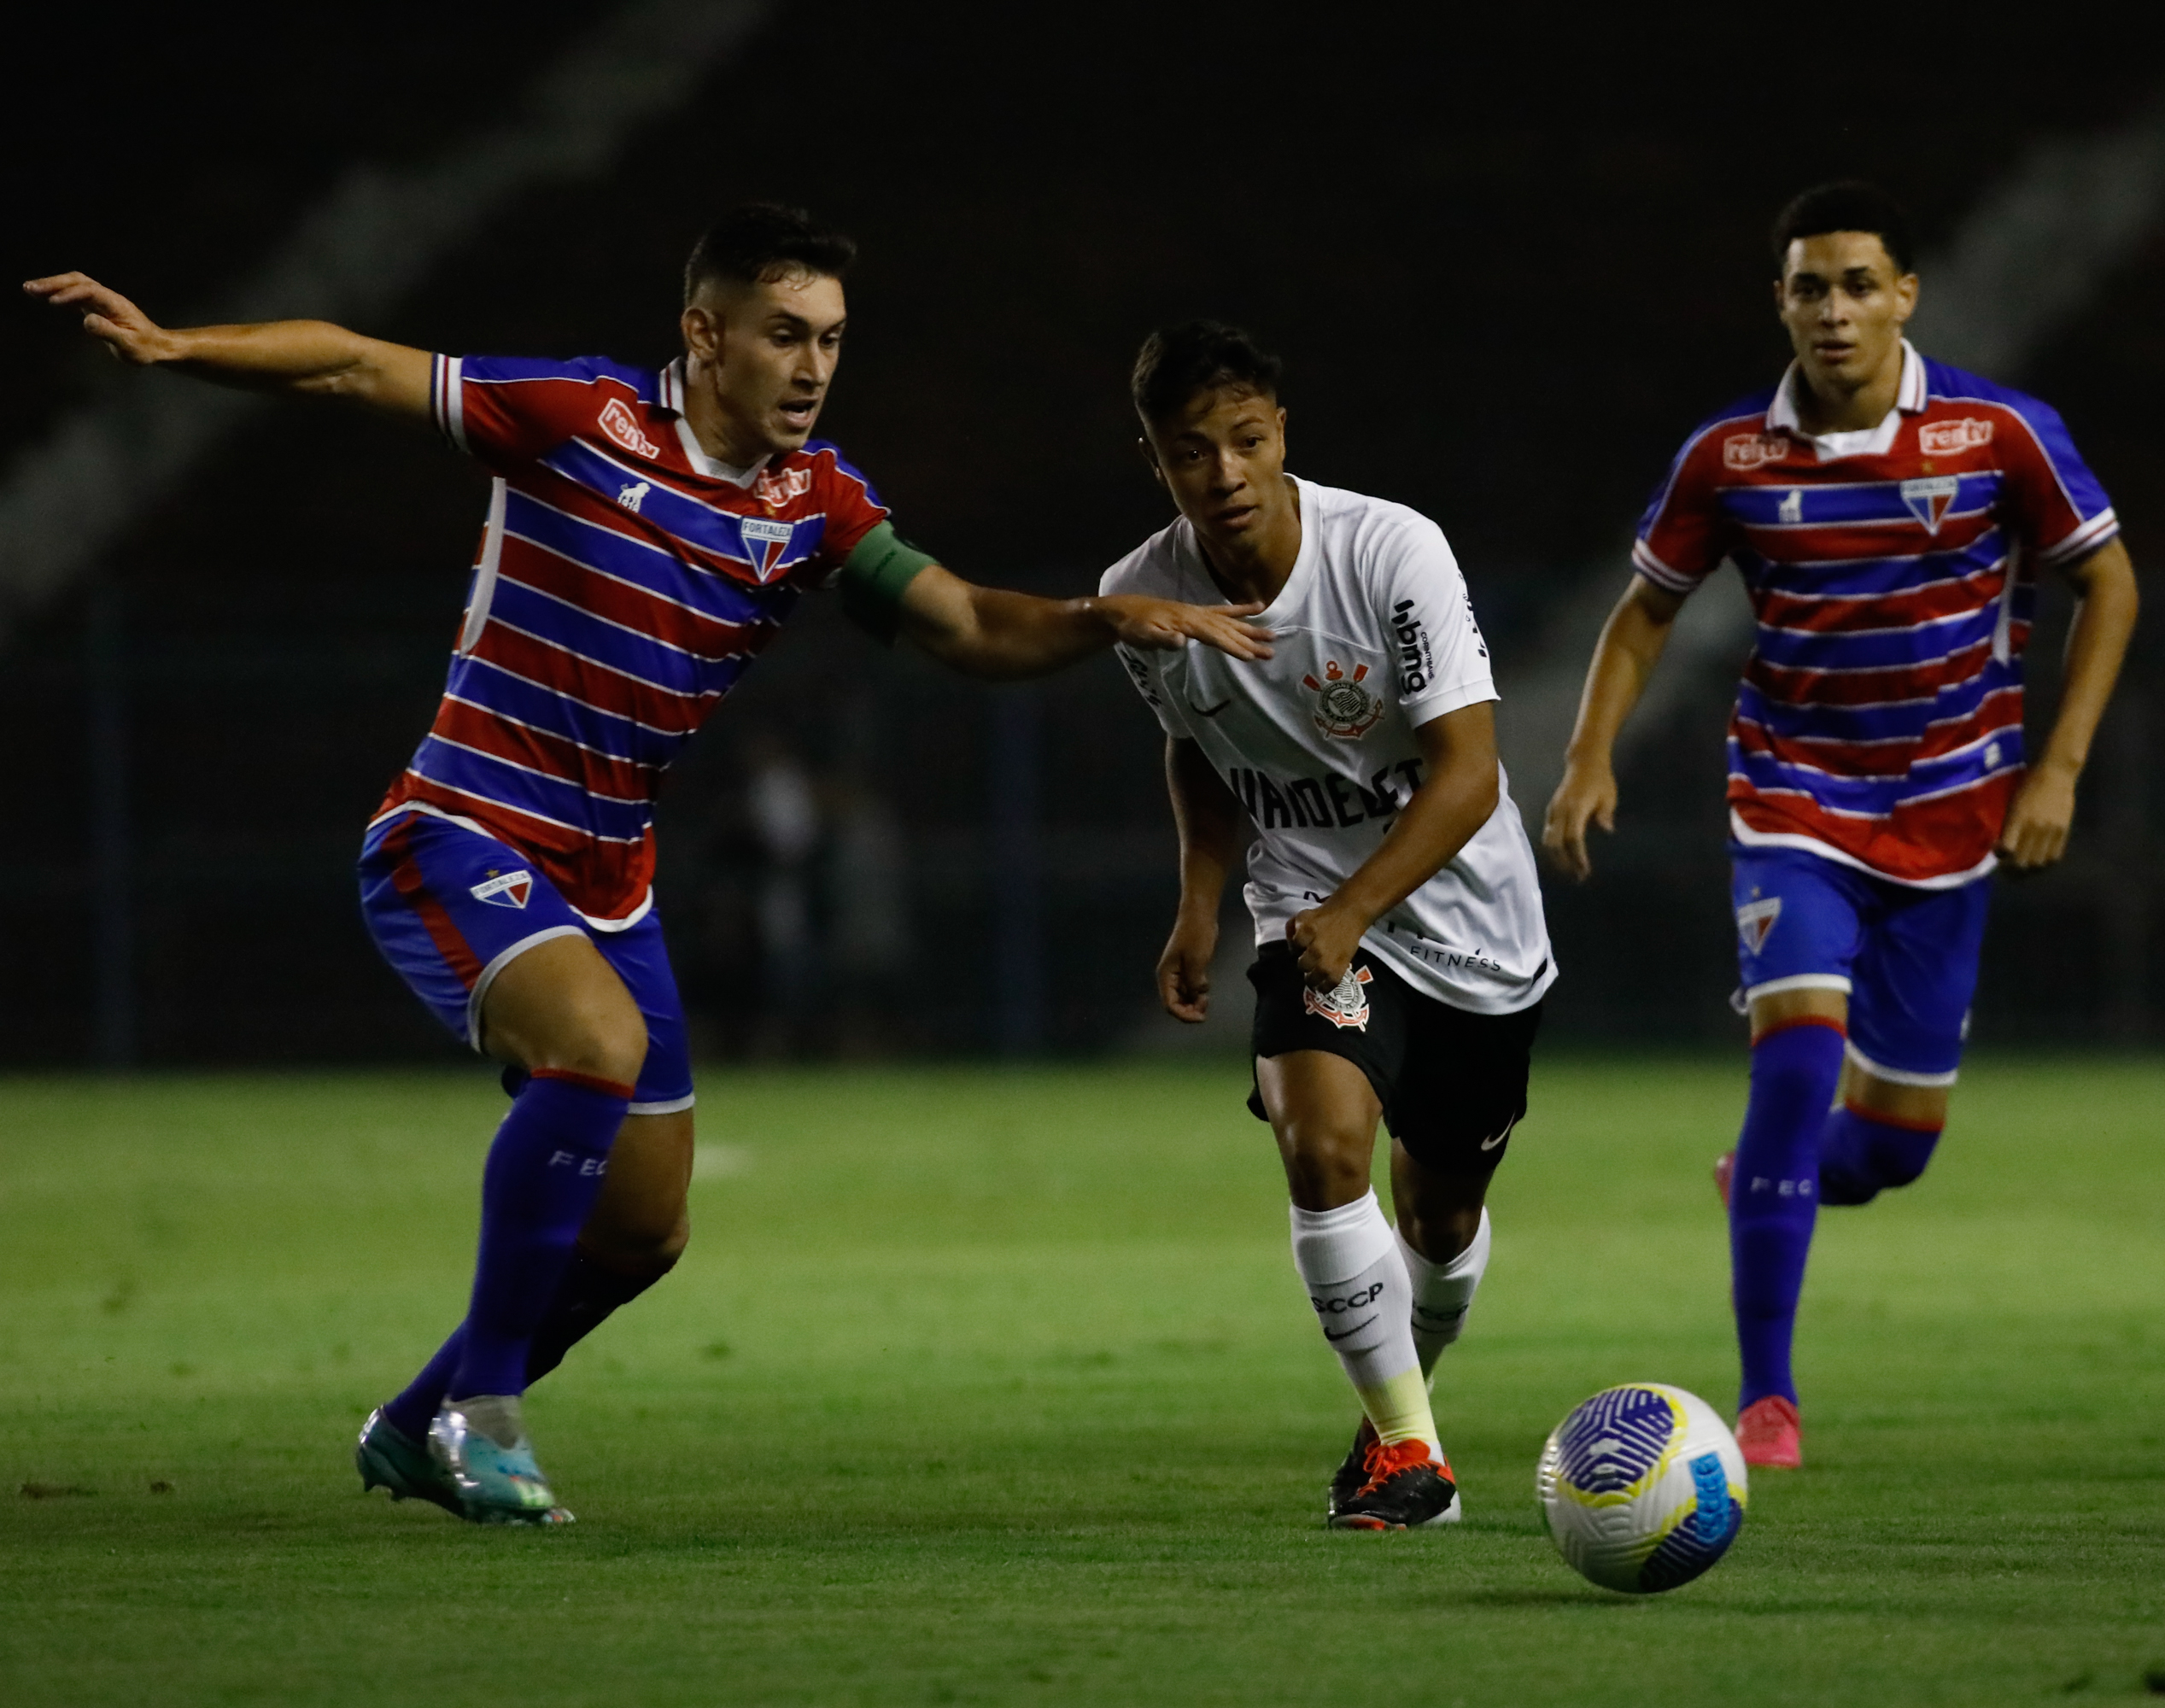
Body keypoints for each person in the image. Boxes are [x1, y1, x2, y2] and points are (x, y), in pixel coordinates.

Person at [26, 205, 1272, 1524]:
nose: (812, 367)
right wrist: (174, 347)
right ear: (704, 331)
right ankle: (484, 1415)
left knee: (644, 1232)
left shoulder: (815, 506)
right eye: (784, 334)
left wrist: (1102, 617)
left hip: (610, 882)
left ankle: (412, 1421)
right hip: (460, 830)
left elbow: (964, 623)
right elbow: (353, 361)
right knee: (594, 1049)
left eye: (832, 341)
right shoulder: (578, 416)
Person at [1541, 181, 2139, 1470]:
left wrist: (2060, 772)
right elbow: (1645, 611)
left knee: (1887, 1152)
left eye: (1860, 283)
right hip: (1795, 801)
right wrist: (1590, 753)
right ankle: (1769, 1403)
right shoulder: (1730, 459)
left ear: (1907, 295)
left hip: (1954, 813)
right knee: (1797, 1061)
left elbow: (2110, 581)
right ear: (1782, 303)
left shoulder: (1998, 432)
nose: (1835, 310)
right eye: (1810, 287)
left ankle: (1771, 1172)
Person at [1106, 322, 1554, 1530]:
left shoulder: (1390, 552)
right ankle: (1416, 1460)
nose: (1225, 474)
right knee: (1322, 1148)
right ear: (1155, 459)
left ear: (1281, 434)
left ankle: (1387, 1423)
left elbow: (1466, 776)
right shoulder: (1137, 600)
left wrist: (1360, 909)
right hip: (1307, 909)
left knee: (1443, 1217)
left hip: (1469, 921)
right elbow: (1196, 744)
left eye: (1246, 442)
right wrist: (1201, 905)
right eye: (1192, 452)